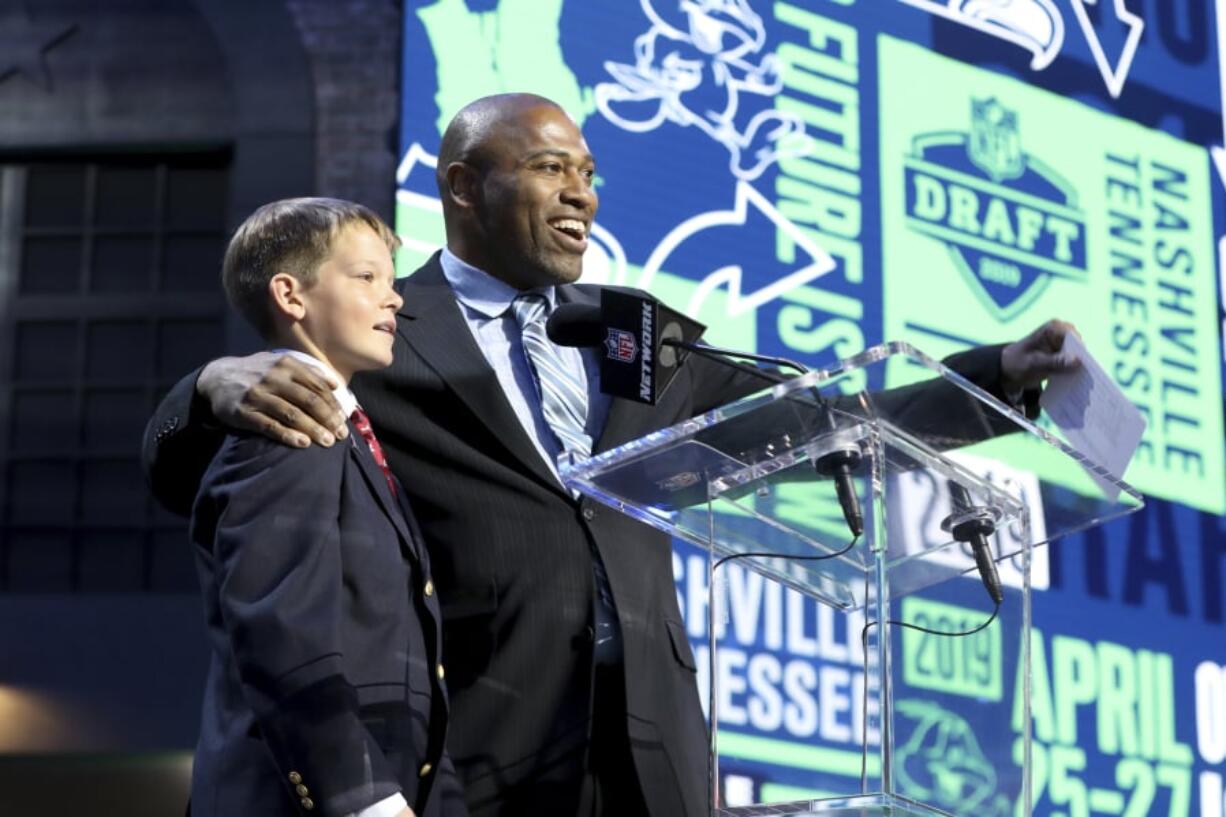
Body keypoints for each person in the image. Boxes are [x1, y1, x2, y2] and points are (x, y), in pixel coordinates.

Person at [145, 94, 1078, 817]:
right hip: (476, 731)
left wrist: (995, 377)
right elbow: (217, 468)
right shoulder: (383, 326)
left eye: (587, 171)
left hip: (653, 737)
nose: (582, 192)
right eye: (551, 167)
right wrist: (211, 385)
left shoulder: (634, 334)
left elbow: (821, 422)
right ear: (465, 187)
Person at [184, 198, 463, 817]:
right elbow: (282, 636)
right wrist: (365, 802)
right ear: (291, 295)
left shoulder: (352, 436)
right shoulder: (289, 429)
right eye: (367, 277)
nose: (394, 299)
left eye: (392, 282)